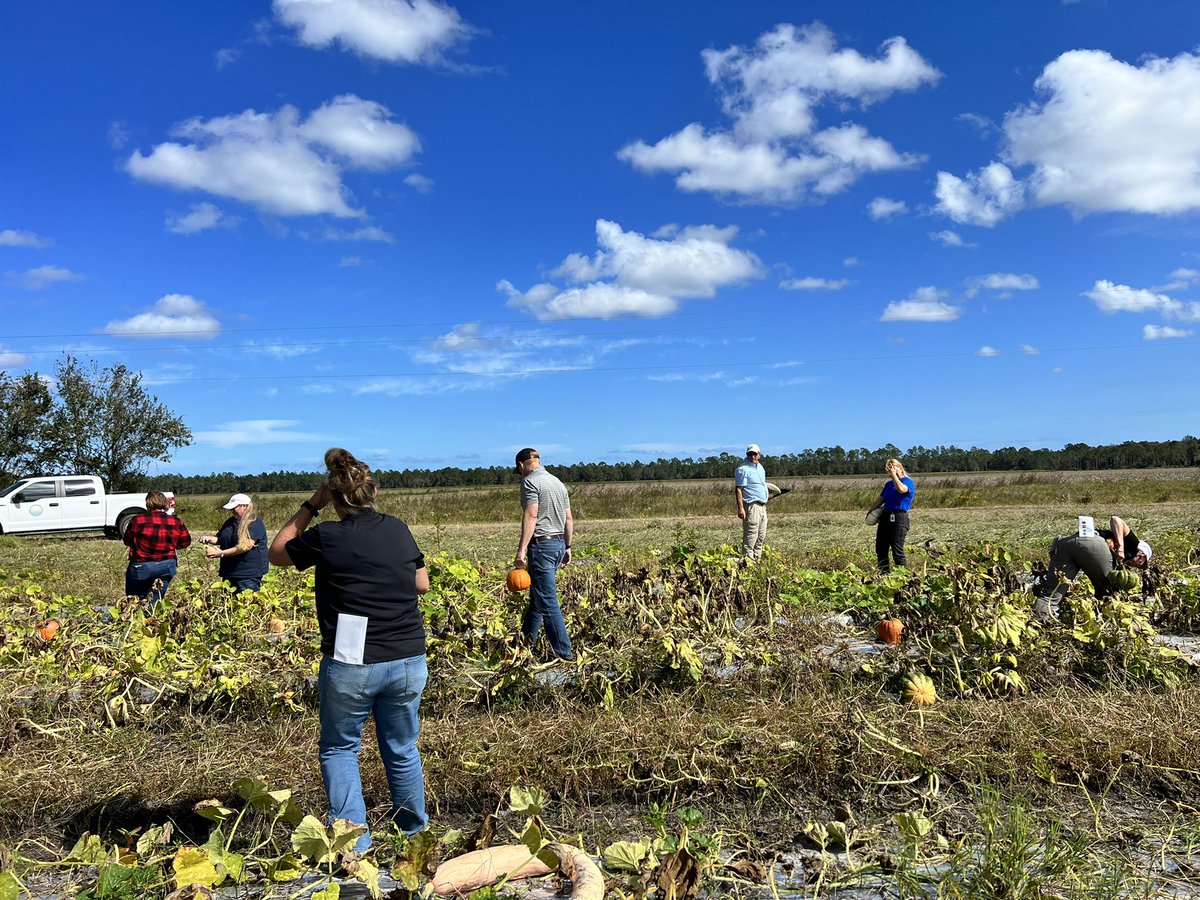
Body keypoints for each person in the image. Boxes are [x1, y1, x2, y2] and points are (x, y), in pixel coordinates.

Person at [268, 448, 430, 851]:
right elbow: (421, 583)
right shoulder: (397, 528)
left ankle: (354, 846)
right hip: (408, 656)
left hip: (352, 662)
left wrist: (310, 505)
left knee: (340, 749)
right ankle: (415, 836)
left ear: (334, 496)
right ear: (372, 491)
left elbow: (276, 553)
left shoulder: (327, 535)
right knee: (401, 747)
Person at [514, 447, 574, 660]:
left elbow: (531, 516)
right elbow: (569, 519)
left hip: (542, 547)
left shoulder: (530, 481)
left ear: (521, 466)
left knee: (548, 601)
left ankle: (564, 654)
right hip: (558, 544)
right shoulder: (558, 482)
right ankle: (523, 646)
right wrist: (567, 547)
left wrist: (521, 551)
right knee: (538, 599)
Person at [1033, 515, 1152, 620]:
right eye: (1142, 565)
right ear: (1142, 556)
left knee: (1050, 595)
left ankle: (1038, 623)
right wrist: (1120, 547)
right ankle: (1107, 623)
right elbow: (1115, 519)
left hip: (1066, 544)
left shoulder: (1125, 562)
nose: (1137, 567)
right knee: (1107, 591)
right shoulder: (1134, 545)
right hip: (1093, 543)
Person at [123, 490, 191, 608]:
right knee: (156, 600)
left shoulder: (138, 520)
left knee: (135, 600)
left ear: (148, 503)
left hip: (141, 565)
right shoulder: (176, 521)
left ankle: (135, 622)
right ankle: (153, 620)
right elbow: (185, 542)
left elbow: (127, 540)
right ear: (165, 503)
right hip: (166, 565)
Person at [199, 492, 269, 593]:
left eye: (234, 508)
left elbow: (245, 546)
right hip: (230, 571)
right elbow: (222, 539)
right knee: (229, 603)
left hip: (248, 574)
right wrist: (209, 538)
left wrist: (222, 553)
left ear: (244, 506)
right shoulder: (230, 522)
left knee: (247, 603)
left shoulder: (254, 523)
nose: (232, 511)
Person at [866, 458, 915, 573]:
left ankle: (903, 577)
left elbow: (902, 489)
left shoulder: (908, 482)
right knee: (881, 549)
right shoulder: (888, 485)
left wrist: (894, 476)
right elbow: (880, 500)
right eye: (888, 468)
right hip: (885, 516)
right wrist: (870, 511)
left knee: (897, 550)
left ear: (900, 468)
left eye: (892, 467)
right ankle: (884, 575)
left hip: (899, 518)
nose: (890, 470)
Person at [734, 444, 768, 560]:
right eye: (750, 454)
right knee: (751, 536)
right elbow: (739, 489)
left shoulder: (760, 468)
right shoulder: (742, 470)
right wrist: (740, 508)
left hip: (762, 506)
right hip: (751, 507)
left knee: (761, 536)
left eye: (754, 454)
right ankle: (747, 562)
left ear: (759, 454)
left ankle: (757, 560)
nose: (752, 456)